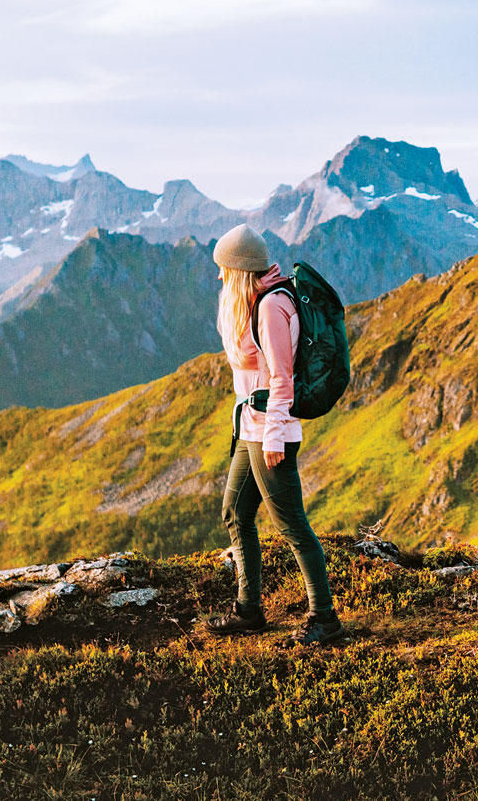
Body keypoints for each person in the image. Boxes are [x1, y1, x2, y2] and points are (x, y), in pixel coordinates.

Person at [201, 223, 350, 645]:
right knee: (235, 512)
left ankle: (324, 619)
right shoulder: (254, 301)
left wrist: (273, 438)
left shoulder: (271, 307)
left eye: (224, 268)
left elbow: (282, 378)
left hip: (270, 431)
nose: (219, 275)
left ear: (239, 269)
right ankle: (248, 610)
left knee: (291, 526)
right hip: (250, 427)